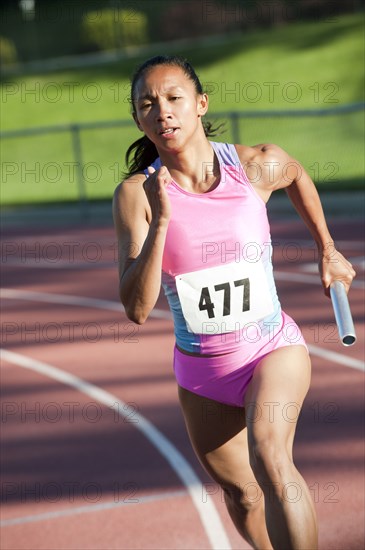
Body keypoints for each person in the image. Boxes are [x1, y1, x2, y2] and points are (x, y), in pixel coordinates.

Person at [112, 55, 355, 549]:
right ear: (138, 119)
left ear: (201, 104)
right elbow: (136, 309)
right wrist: (161, 221)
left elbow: (296, 174)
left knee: (270, 456)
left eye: (175, 98)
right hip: (202, 371)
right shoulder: (136, 195)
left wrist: (327, 250)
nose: (163, 112)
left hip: (271, 348)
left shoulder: (251, 165)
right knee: (243, 495)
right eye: (148, 104)